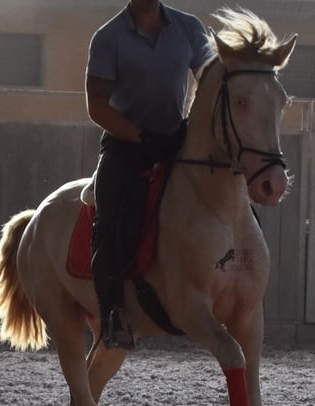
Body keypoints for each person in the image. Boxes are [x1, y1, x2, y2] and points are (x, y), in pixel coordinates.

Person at [85, 0, 212, 350]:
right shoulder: (107, 37)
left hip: (178, 141)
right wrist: (142, 138)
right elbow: (97, 105)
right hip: (127, 146)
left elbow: (211, 81)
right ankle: (114, 315)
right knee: (108, 222)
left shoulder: (189, 28)